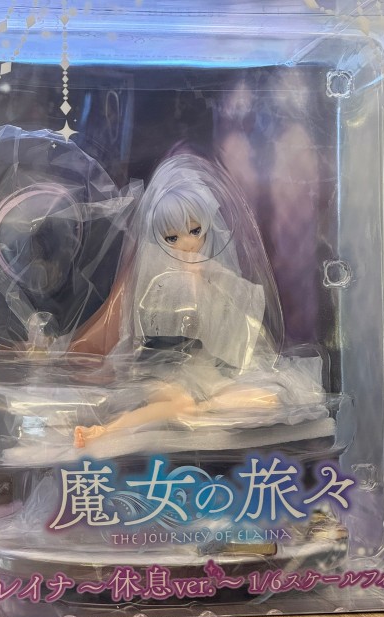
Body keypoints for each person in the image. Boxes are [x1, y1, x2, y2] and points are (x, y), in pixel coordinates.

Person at [71, 153, 328, 449]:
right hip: (164, 371)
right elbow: (151, 337)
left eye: (195, 231)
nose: (187, 243)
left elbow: (240, 324)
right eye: (172, 238)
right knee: (178, 403)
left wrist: (207, 287)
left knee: (268, 399)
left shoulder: (216, 275)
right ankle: (105, 430)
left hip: (209, 373)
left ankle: (203, 410)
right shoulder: (157, 280)